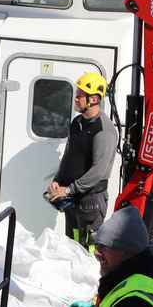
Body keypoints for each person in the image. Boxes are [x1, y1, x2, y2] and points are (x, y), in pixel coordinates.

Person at [47, 71, 118, 248]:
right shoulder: (77, 122)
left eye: (80, 96)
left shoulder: (104, 130)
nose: (76, 99)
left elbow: (98, 171)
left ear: (93, 99)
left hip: (91, 201)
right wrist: (58, 180)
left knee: (88, 251)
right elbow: (69, 155)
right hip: (73, 199)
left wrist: (68, 189)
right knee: (72, 247)